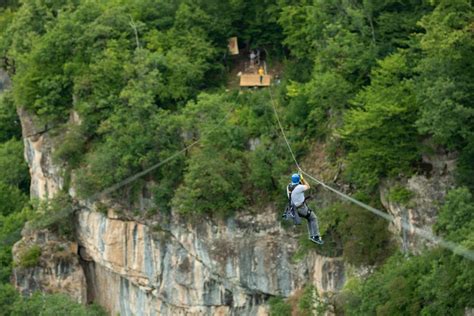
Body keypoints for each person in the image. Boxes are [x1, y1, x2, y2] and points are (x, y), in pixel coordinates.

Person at [287, 173, 324, 245]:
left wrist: (299, 178)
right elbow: (308, 186)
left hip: (294, 209)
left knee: (309, 218)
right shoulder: (299, 187)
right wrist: (302, 179)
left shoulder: (289, 186)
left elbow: (297, 186)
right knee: (313, 218)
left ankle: (312, 236)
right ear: (298, 180)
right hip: (301, 208)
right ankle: (315, 236)